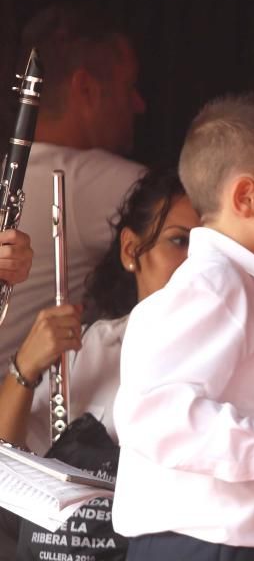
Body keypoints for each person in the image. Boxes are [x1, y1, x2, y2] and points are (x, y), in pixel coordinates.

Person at [111, 95, 254, 560]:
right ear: (245, 196)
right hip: (202, 548)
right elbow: (154, 416)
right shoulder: (213, 286)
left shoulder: (237, 285)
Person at [0, 168, 199, 560]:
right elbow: (7, 468)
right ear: (131, 251)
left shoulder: (230, 354)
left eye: (208, 246)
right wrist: (25, 367)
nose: (194, 261)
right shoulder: (93, 346)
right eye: (179, 241)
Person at [0, 5, 146, 364]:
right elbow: (201, 211)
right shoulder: (80, 180)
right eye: (129, 87)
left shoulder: (16, 170)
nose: (139, 105)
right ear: (86, 89)